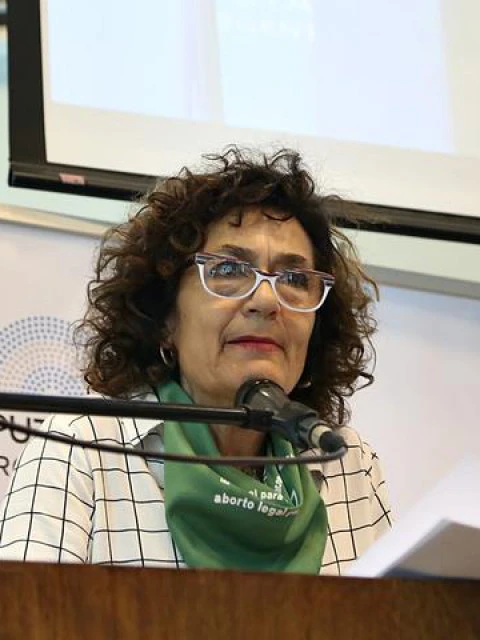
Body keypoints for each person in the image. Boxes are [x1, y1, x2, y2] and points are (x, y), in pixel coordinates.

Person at [0, 147, 391, 575]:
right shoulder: (82, 449)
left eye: (295, 278)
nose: (266, 300)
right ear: (165, 317)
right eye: (228, 270)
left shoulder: (346, 460)